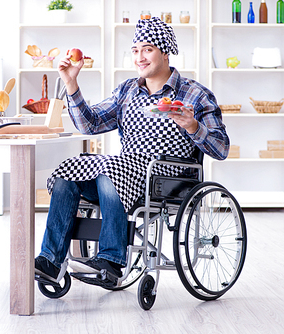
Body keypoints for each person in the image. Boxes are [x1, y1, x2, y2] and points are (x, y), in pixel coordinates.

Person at [34, 17, 230, 288]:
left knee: (109, 171)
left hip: (168, 179)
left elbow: (221, 148)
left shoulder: (195, 95)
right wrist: (71, 84)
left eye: (147, 49)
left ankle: (112, 260)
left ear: (164, 51)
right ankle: (51, 261)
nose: (140, 57)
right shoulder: (127, 91)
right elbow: (90, 124)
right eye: (135, 50)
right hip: (123, 174)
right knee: (69, 171)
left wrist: (193, 125)